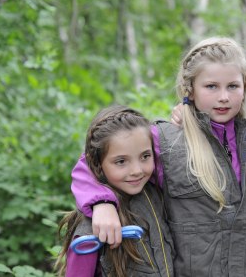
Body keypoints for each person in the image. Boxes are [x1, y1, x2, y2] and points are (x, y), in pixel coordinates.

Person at [69, 37, 246, 276]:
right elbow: (93, 162)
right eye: (211, 86)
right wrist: (102, 203)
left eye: (233, 86)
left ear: (245, 87)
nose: (224, 97)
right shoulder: (167, 141)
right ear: (190, 89)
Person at [54, 105, 173, 277]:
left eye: (145, 156)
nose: (137, 170)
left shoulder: (155, 194)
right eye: (121, 161)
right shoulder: (89, 227)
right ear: (97, 164)